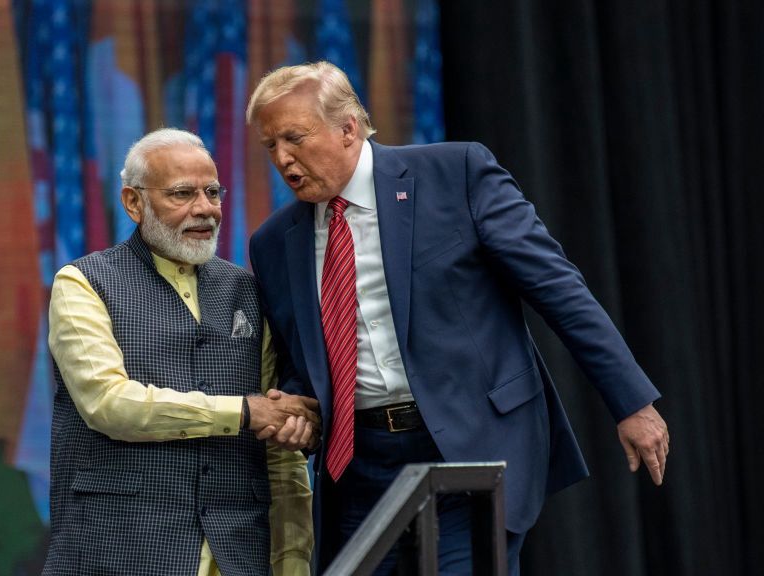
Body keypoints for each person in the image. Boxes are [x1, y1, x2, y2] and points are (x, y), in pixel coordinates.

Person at [245, 62, 670, 575]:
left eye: (294, 138)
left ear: (348, 128)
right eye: (271, 146)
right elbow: (303, 363)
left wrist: (632, 403)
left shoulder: (456, 174)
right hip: (358, 469)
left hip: (469, 449)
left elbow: (559, 289)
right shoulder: (272, 243)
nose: (283, 158)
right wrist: (299, 408)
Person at [43, 128, 317, 576]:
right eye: (182, 194)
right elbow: (108, 404)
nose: (205, 209)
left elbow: (279, 448)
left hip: (239, 555)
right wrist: (242, 413)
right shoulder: (83, 282)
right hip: (119, 552)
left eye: (212, 192)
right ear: (134, 203)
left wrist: (293, 561)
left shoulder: (247, 289)